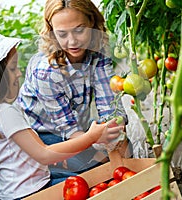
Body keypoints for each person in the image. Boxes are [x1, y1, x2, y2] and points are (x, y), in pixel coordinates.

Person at [0, 29, 123, 200]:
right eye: (13, 68)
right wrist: (91, 137)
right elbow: (44, 154)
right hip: (29, 193)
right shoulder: (5, 112)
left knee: (82, 180)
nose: (19, 73)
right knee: (91, 187)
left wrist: (58, 155)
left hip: (20, 189)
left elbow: (33, 149)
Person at [16, 0, 129, 173]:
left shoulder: (97, 53)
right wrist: (98, 143)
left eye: (79, 30)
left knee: (122, 155)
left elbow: (109, 104)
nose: (72, 41)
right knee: (93, 170)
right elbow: (68, 128)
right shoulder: (46, 72)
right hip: (46, 136)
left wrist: (116, 136)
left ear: (91, 22)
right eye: (62, 34)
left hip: (78, 124)